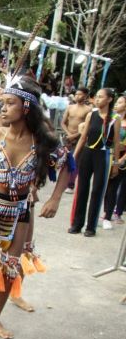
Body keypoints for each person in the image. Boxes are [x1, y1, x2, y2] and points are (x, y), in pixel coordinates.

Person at [0, 78, 70, 339]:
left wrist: (54, 199)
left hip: (20, 209)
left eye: (10, 104)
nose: (4, 109)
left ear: (27, 108)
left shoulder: (43, 142)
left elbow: (66, 165)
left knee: (10, 265)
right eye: (3, 103)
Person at [69, 88, 121, 237]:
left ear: (109, 99)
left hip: (103, 155)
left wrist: (116, 164)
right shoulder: (91, 114)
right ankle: (77, 224)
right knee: (82, 189)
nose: (97, 99)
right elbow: (83, 137)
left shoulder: (114, 118)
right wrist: (74, 156)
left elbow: (116, 142)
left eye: (100, 97)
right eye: (96, 97)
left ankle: (91, 227)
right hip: (87, 153)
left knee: (97, 191)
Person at [61, 87, 92, 194]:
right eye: (76, 94)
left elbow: (87, 127)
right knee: (63, 160)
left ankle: (71, 184)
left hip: (79, 139)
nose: (77, 96)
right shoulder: (70, 107)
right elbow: (63, 122)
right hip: (67, 138)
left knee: (75, 161)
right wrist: (68, 134)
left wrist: (75, 135)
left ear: (85, 96)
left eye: (80, 94)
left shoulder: (88, 110)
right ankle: (62, 182)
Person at [102, 95, 126, 228]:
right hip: (108, 156)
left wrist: (121, 160)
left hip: (121, 159)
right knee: (105, 186)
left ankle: (111, 214)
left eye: (120, 102)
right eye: (116, 102)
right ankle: (106, 212)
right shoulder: (112, 119)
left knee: (115, 187)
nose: (117, 104)